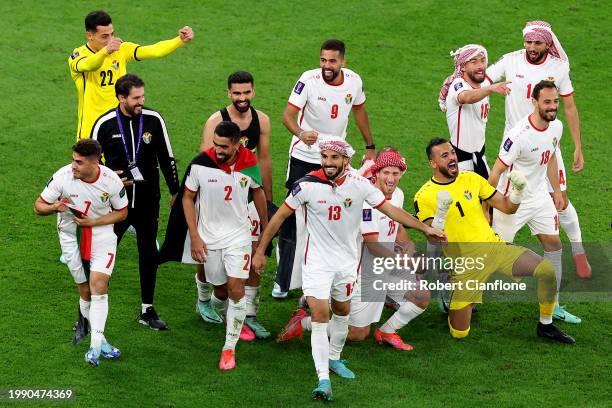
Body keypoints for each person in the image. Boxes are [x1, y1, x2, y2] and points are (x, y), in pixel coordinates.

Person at [252, 138, 445, 401]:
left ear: (345, 160)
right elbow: (279, 218)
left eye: (334, 158)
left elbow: (391, 212)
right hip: (318, 263)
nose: (328, 163)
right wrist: (261, 250)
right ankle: (323, 379)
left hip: (346, 264)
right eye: (325, 157)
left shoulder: (360, 186)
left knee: (342, 313)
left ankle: (334, 358)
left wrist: (425, 228)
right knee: (322, 316)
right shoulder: (307, 185)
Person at [414, 137, 574, 344]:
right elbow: (432, 237)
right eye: (444, 156)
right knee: (459, 333)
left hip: (495, 250)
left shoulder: (471, 179)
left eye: (452, 152)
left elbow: (507, 208)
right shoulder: (424, 196)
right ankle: (449, 289)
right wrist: (442, 213)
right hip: (467, 265)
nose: (452, 158)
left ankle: (546, 325)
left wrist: (517, 193)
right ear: (432, 163)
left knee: (546, 271)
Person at [277, 149, 430, 351]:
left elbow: (398, 228)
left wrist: (412, 255)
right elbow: (373, 246)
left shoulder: (398, 195)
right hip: (361, 274)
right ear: (376, 174)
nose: (391, 179)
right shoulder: (366, 201)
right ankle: (303, 323)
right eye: (386, 173)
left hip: (385, 267)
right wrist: (405, 262)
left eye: (396, 173)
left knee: (421, 295)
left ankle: (387, 331)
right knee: (357, 334)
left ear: (402, 173)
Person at [159, 121, 268, 371]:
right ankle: (212, 305)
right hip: (209, 237)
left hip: (238, 236)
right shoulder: (201, 163)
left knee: (236, 288)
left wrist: (263, 228)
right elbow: (187, 198)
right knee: (220, 289)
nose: (218, 150)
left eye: (224, 146)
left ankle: (228, 348)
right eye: (215, 144)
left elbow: (258, 192)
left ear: (237, 144)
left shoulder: (248, 162)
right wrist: (195, 237)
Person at [486, 20, 590, 280]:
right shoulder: (511, 61)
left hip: (547, 144)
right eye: (528, 42)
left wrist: (578, 146)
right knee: (502, 221)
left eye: (538, 42)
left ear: (548, 43)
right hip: (517, 148)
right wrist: (458, 88)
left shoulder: (559, 67)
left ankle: (578, 252)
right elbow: (481, 76)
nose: (532, 47)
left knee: (561, 200)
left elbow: (570, 107)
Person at [273, 38, 376, 299]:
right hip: (304, 156)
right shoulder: (308, 80)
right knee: (292, 217)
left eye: (332, 61)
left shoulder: (354, 81)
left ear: (343, 61)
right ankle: (283, 278)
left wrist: (370, 145)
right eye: (323, 60)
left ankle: (327, 275)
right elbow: (287, 115)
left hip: (336, 159)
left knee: (334, 215)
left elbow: (360, 111)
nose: (326, 66)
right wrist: (300, 132)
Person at [487, 80, 580, 324]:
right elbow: (496, 172)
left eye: (555, 102)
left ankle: (554, 305)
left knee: (554, 246)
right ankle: (455, 291)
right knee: (493, 257)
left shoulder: (556, 127)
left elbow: (549, 157)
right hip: (512, 202)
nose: (552, 107)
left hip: (539, 197)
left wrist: (557, 190)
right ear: (534, 102)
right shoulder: (517, 136)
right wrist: (487, 206)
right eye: (547, 102)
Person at [91, 74, 179, 330]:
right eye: (136, 98)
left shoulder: (154, 119)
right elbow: (89, 162)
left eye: (143, 96)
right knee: (104, 253)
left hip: (148, 199)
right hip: (115, 203)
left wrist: (175, 192)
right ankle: (88, 307)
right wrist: (109, 176)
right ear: (121, 98)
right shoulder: (105, 124)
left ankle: (147, 310)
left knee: (148, 252)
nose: (142, 101)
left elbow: (167, 158)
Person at [34, 139, 128, 365]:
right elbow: (38, 206)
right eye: (73, 160)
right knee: (85, 291)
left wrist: (95, 221)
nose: (73, 166)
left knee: (99, 286)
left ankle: (94, 348)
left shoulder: (111, 181)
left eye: (78, 162)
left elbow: (122, 213)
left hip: (101, 234)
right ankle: (102, 341)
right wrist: (53, 207)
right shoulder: (62, 177)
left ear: (95, 162)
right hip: (71, 236)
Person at [194, 71, 273, 339]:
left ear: (253, 91)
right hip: (216, 200)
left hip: (247, 196)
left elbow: (264, 160)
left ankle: (249, 314)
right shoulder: (216, 121)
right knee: (206, 251)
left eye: (246, 92)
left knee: (254, 253)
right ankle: (204, 297)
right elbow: (206, 162)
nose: (242, 98)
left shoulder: (261, 120)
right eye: (236, 93)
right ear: (228, 93)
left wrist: (267, 199)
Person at [69, 10, 194, 140]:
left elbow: (153, 51)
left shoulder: (121, 49)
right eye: (104, 36)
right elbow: (89, 65)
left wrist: (179, 40)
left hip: (118, 126)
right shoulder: (78, 55)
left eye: (112, 34)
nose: (110, 40)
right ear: (90, 35)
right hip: (91, 130)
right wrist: (106, 51)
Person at [438, 44, 511, 178]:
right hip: (461, 163)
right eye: (474, 62)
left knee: (490, 198)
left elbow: (504, 63)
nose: (480, 66)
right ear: (463, 66)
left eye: (483, 61)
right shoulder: (458, 84)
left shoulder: (483, 84)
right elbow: (466, 97)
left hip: (479, 159)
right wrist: (490, 89)